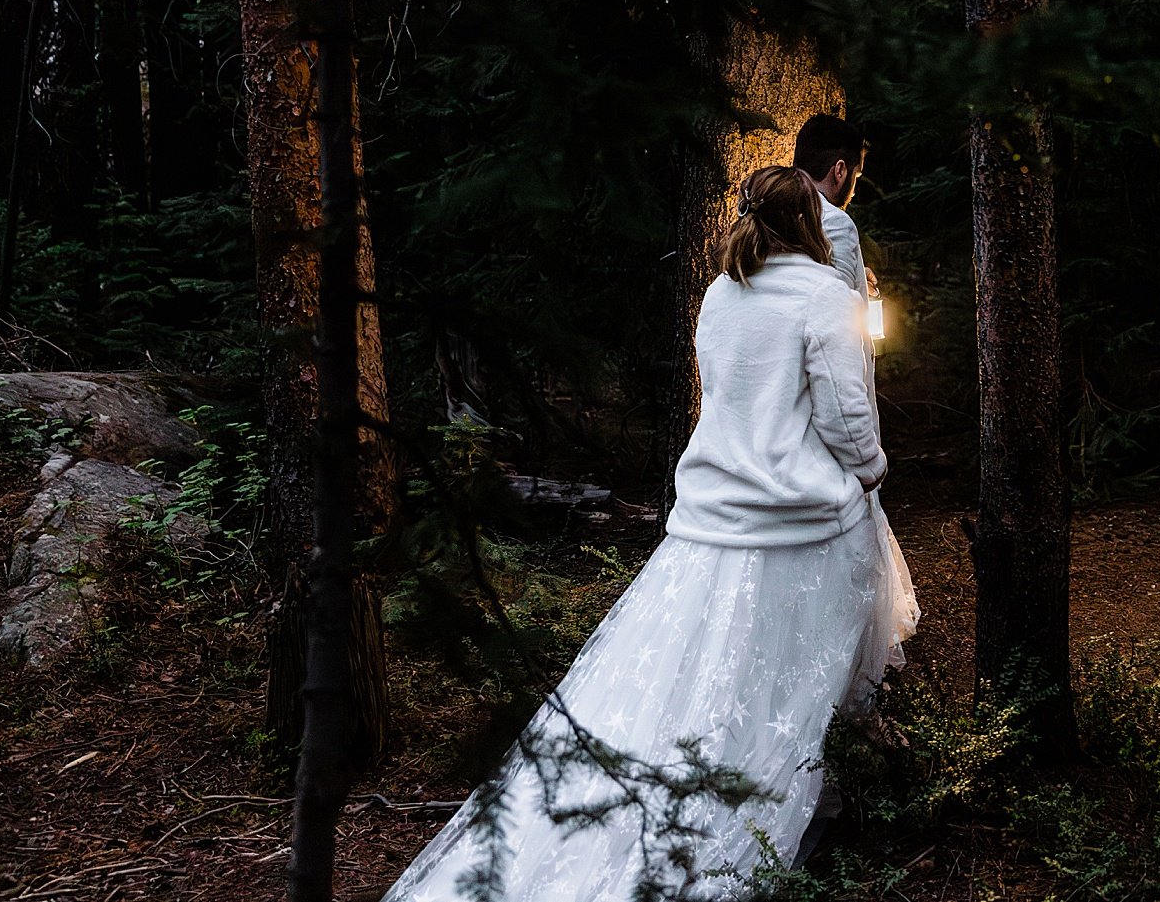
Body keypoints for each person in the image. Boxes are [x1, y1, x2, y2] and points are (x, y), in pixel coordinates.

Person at [381, 166, 918, 902]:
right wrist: (871, 468)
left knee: (705, 670)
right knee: (797, 674)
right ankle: (792, 800)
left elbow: (726, 395)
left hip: (713, 515)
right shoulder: (824, 296)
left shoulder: (723, 292)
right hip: (800, 520)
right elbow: (846, 415)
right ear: (810, 223)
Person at [793, 114, 873, 300]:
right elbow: (835, 311)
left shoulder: (764, 209)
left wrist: (855, 273)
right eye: (857, 176)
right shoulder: (835, 222)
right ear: (840, 170)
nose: (853, 191)